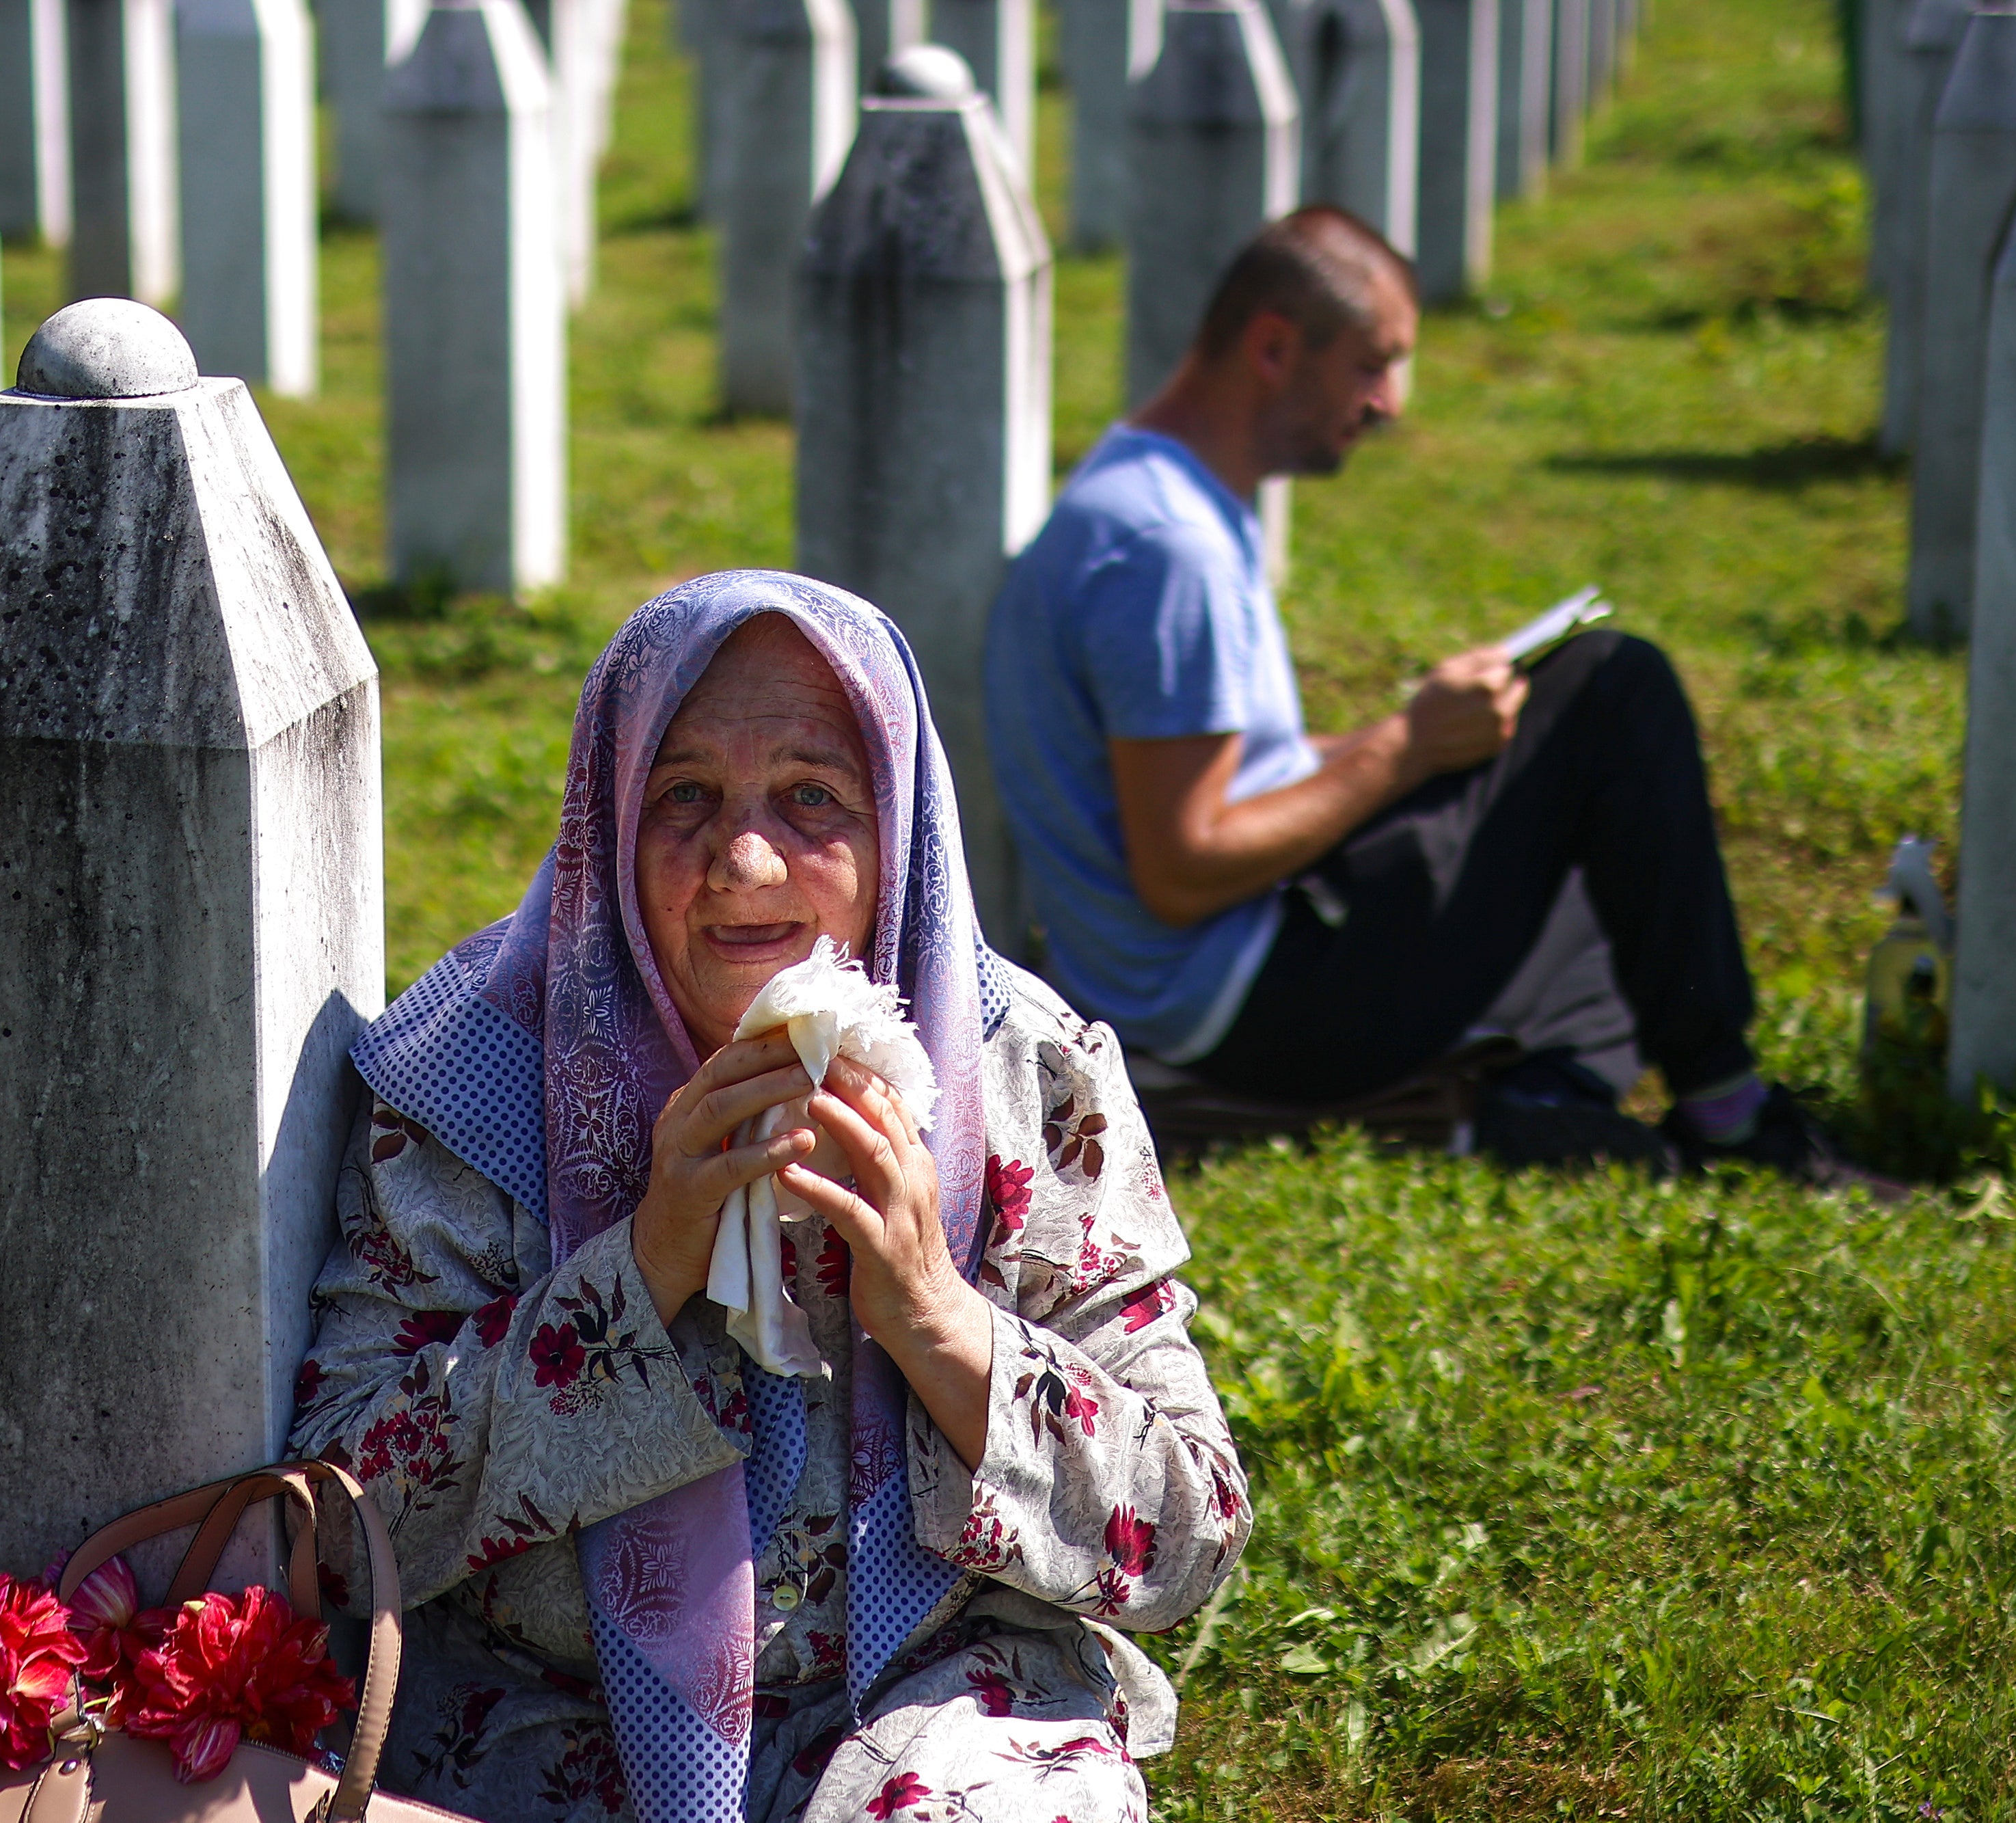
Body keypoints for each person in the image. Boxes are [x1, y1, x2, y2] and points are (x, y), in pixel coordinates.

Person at [292, 572, 1249, 1823]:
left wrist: (932, 1311)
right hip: (538, 1714)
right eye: (682, 797)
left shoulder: (1028, 1077)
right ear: (607, 818)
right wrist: (640, 1270)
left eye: (813, 799)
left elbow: (1186, 1538)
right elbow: (327, 1534)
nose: (745, 865)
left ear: (899, 826)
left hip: (943, 1698)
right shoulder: (471, 1079)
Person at [984, 204, 1853, 1178]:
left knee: (1591, 835)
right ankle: (1730, 1117)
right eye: (1371, 362)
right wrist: (1408, 748)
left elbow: (1235, 773)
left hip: (1226, 965)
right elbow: (1184, 868)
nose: (1391, 401)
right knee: (1613, 690)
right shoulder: (1166, 550)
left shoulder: (1157, 494)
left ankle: (1535, 1104)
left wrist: (1418, 733)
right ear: (1274, 348)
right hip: (1247, 1009)